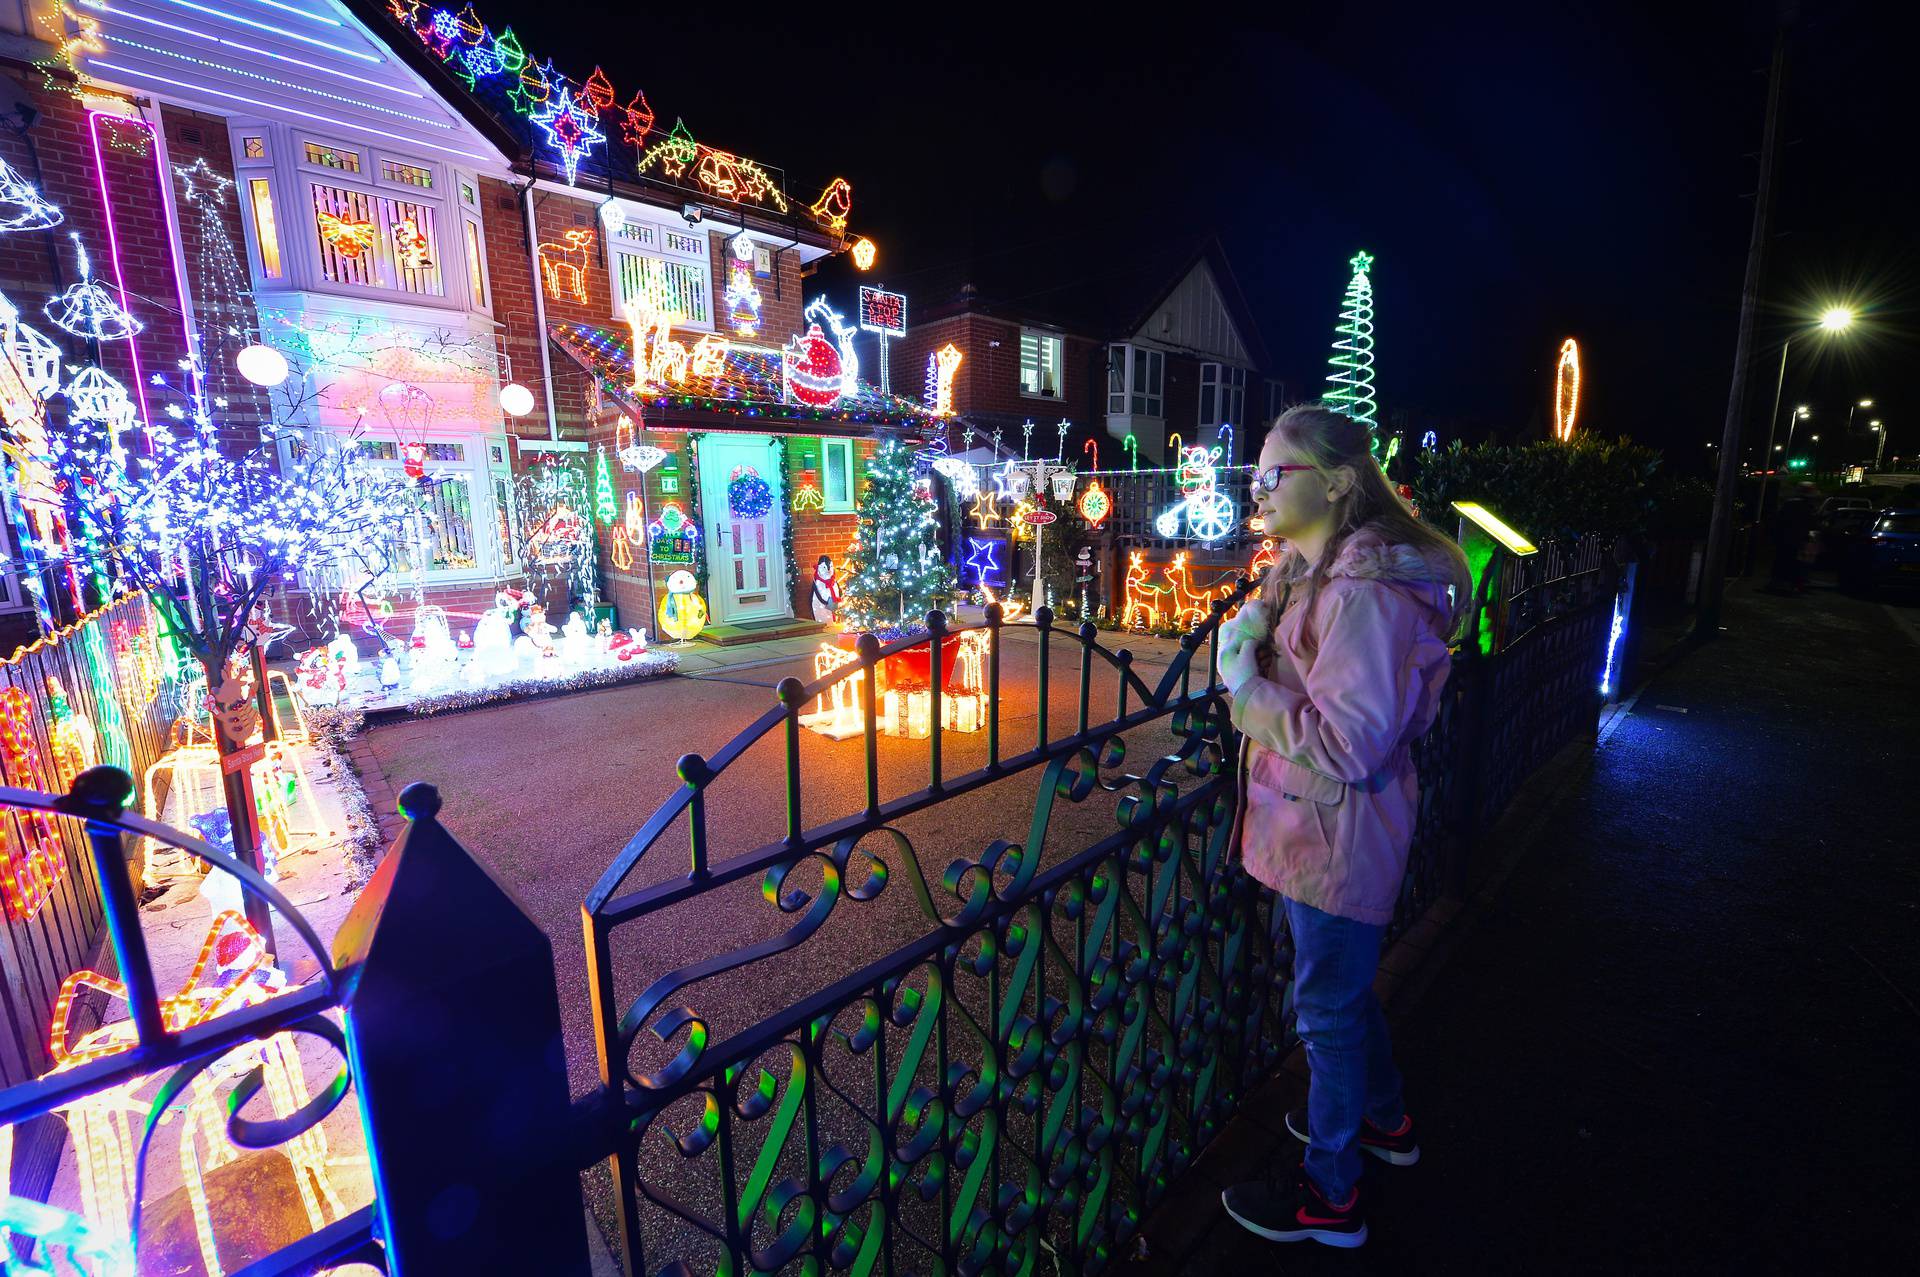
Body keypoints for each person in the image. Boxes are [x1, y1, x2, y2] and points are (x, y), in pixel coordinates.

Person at [1215, 405, 1471, 1249]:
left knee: (1324, 1011)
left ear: (1334, 482)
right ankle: (1386, 1121)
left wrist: (1244, 691)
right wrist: (1258, 626)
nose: (1257, 487)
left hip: (1336, 836)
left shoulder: (1362, 591)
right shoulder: (1316, 568)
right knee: (1341, 997)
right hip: (1325, 830)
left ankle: (1332, 1197)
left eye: (1271, 472)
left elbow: (1347, 742)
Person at [1769, 483, 1817, 593]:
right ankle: (1791, 584)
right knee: (1795, 562)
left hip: (1787, 538)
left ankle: (1780, 583)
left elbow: (1779, 521)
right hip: (1797, 539)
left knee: (1783, 560)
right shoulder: (1808, 506)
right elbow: (1812, 524)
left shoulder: (1790, 504)